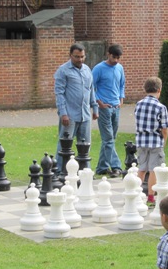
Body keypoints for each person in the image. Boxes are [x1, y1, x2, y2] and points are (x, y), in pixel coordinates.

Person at [54, 43, 99, 171]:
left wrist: (95, 108)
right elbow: (59, 93)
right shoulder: (63, 70)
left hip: (85, 115)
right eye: (77, 57)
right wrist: (63, 113)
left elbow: (91, 90)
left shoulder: (87, 69)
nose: (80, 59)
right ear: (70, 55)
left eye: (82, 56)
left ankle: (85, 171)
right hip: (69, 115)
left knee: (85, 145)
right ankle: (59, 170)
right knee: (64, 145)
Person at [134, 77, 168, 207]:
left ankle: (135, 193)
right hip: (155, 141)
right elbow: (164, 128)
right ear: (159, 90)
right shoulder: (161, 107)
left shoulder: (139, 104)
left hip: (141, 140)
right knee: (154, 170)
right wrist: (164, 141)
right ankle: (150, 197)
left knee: (141, 168)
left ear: (145, 89)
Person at [92, 44, 126, 177]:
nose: (116, 60)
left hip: (116, 107)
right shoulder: (99, 68)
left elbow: (122, 84)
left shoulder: (120, 68)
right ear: (108, 54)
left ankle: (101, 167)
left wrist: (121, 99)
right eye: (114, 57)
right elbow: (91, 87)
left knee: (110, 139)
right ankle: (117, 167)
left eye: (118, 58)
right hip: (104, 108)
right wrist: (99, 102)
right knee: (108, 139)